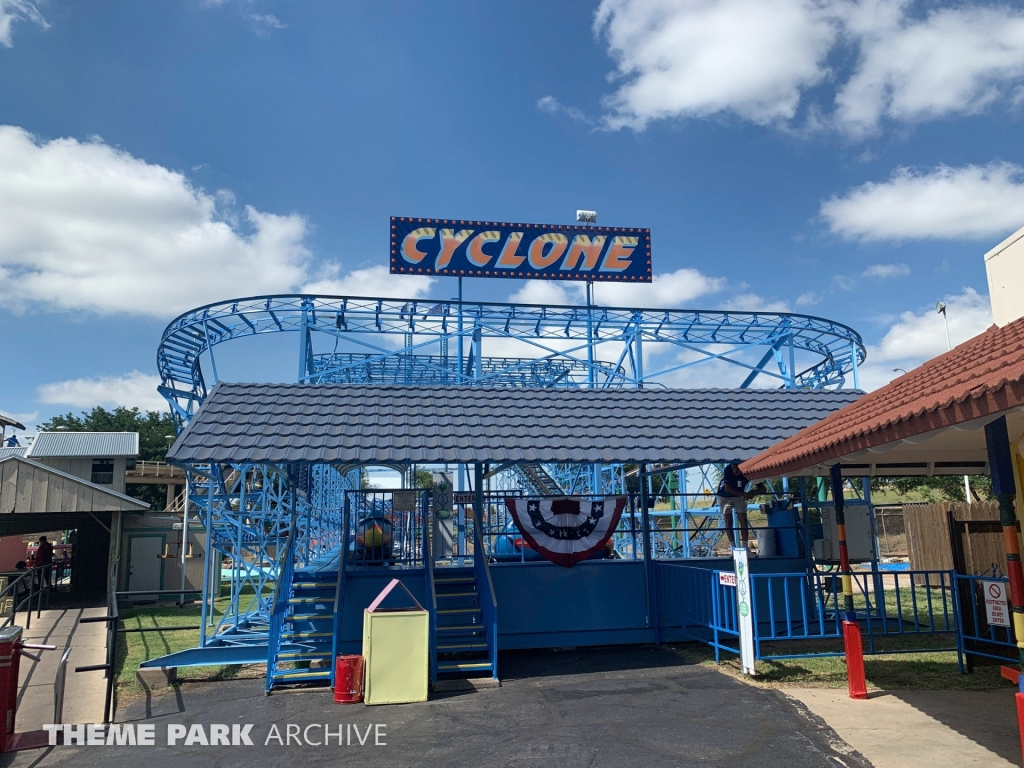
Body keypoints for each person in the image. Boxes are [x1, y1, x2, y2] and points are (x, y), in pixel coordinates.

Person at [717, 462, 764, 550]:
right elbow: (728, 488)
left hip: (739, 495)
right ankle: (733, 548)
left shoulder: (749, 472)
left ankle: (745, 548)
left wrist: (753, 493)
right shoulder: (728, 469)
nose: (735, 470)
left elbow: (763, 488)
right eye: (734, 467)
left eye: (738, 468)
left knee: (743, 519)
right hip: (724, 495)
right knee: (728, 520)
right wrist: (745, 494)